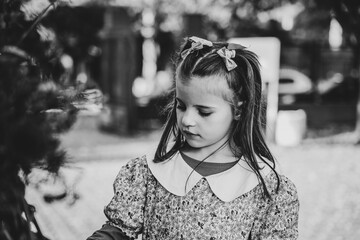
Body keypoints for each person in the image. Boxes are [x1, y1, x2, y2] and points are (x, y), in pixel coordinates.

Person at [87, 36, 299, 239]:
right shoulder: (148, 173)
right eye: (181, 105)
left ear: (238, 110)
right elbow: (118, 230)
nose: (187, 119)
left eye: (204, 112)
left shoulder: (266, 189)